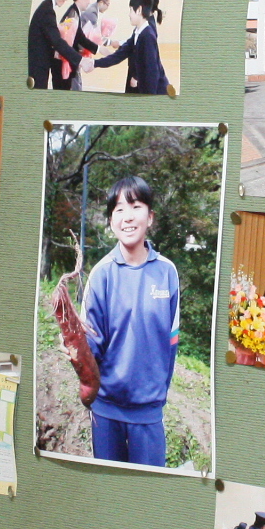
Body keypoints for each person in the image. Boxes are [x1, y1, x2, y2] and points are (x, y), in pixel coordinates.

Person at [80, 176, 181, 468]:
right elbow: (90, 347)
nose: (128, 216)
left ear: (150, 217)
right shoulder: (101, 274)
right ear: (111, 220)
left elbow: (172, 343)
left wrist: (156, 395)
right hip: (106, 412)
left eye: (136, 206)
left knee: (147, 491)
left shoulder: (167, 272)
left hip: (149, 414)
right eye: (119, 209)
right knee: (107, 490)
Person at [91, 0, 169, 94]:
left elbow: (152, 72)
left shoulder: (147, 35)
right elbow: (120, 55)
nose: (129, 14)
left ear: (139, 10)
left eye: (131, 10)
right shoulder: (138, 32)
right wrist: (94, 63)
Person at [28, 0, 84, 89]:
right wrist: (81, 60)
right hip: (37, 70)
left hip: (39, 67)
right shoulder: (47, 11)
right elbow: (57, 42)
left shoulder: (46, 8)